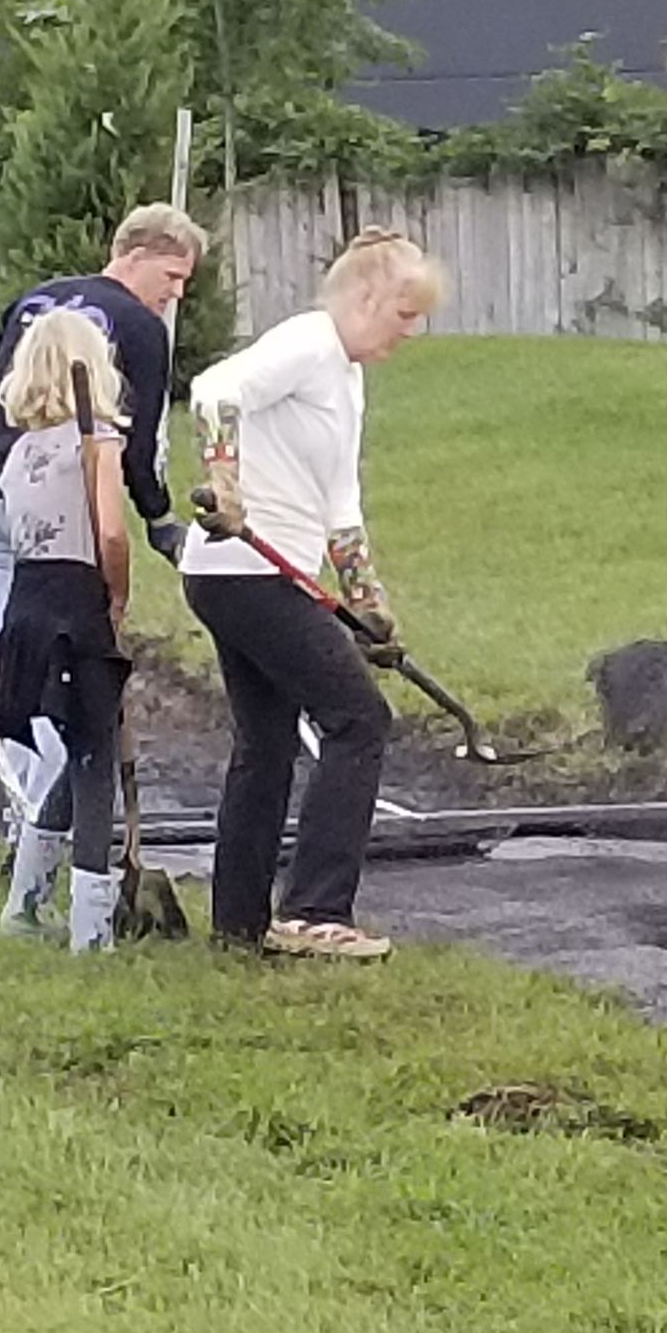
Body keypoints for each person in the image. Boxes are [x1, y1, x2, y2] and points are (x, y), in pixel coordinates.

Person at [181, 229, 445, 961]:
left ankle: (239, 924)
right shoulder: (307, 342)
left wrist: (366, 597)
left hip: (261, 572)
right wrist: (226, 482)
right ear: (365, 296)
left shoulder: (345, 378)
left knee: (266, 742)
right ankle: (316, 909)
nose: (410, 330)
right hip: (243, 567)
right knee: (358, 719)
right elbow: (213, 390)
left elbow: (340, 503)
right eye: (403, 312)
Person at [0, 202, 205, 634]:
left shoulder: (36, 298)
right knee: (63, 641)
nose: (177, 293)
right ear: (135, 255)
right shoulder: (140, 326)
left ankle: (4, 699)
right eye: (172, 276)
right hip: (61, 500)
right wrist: (158, 516)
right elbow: (138, 439)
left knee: (10, 634)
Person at [0, 301, 136, 951]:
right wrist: (118, 595)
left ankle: (24, 905)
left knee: (74, 756)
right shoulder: (96, 441)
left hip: (27, 607)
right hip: (78, 606)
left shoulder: (18, 455)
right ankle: (90, 929)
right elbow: (108, 531)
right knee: (96, 761)